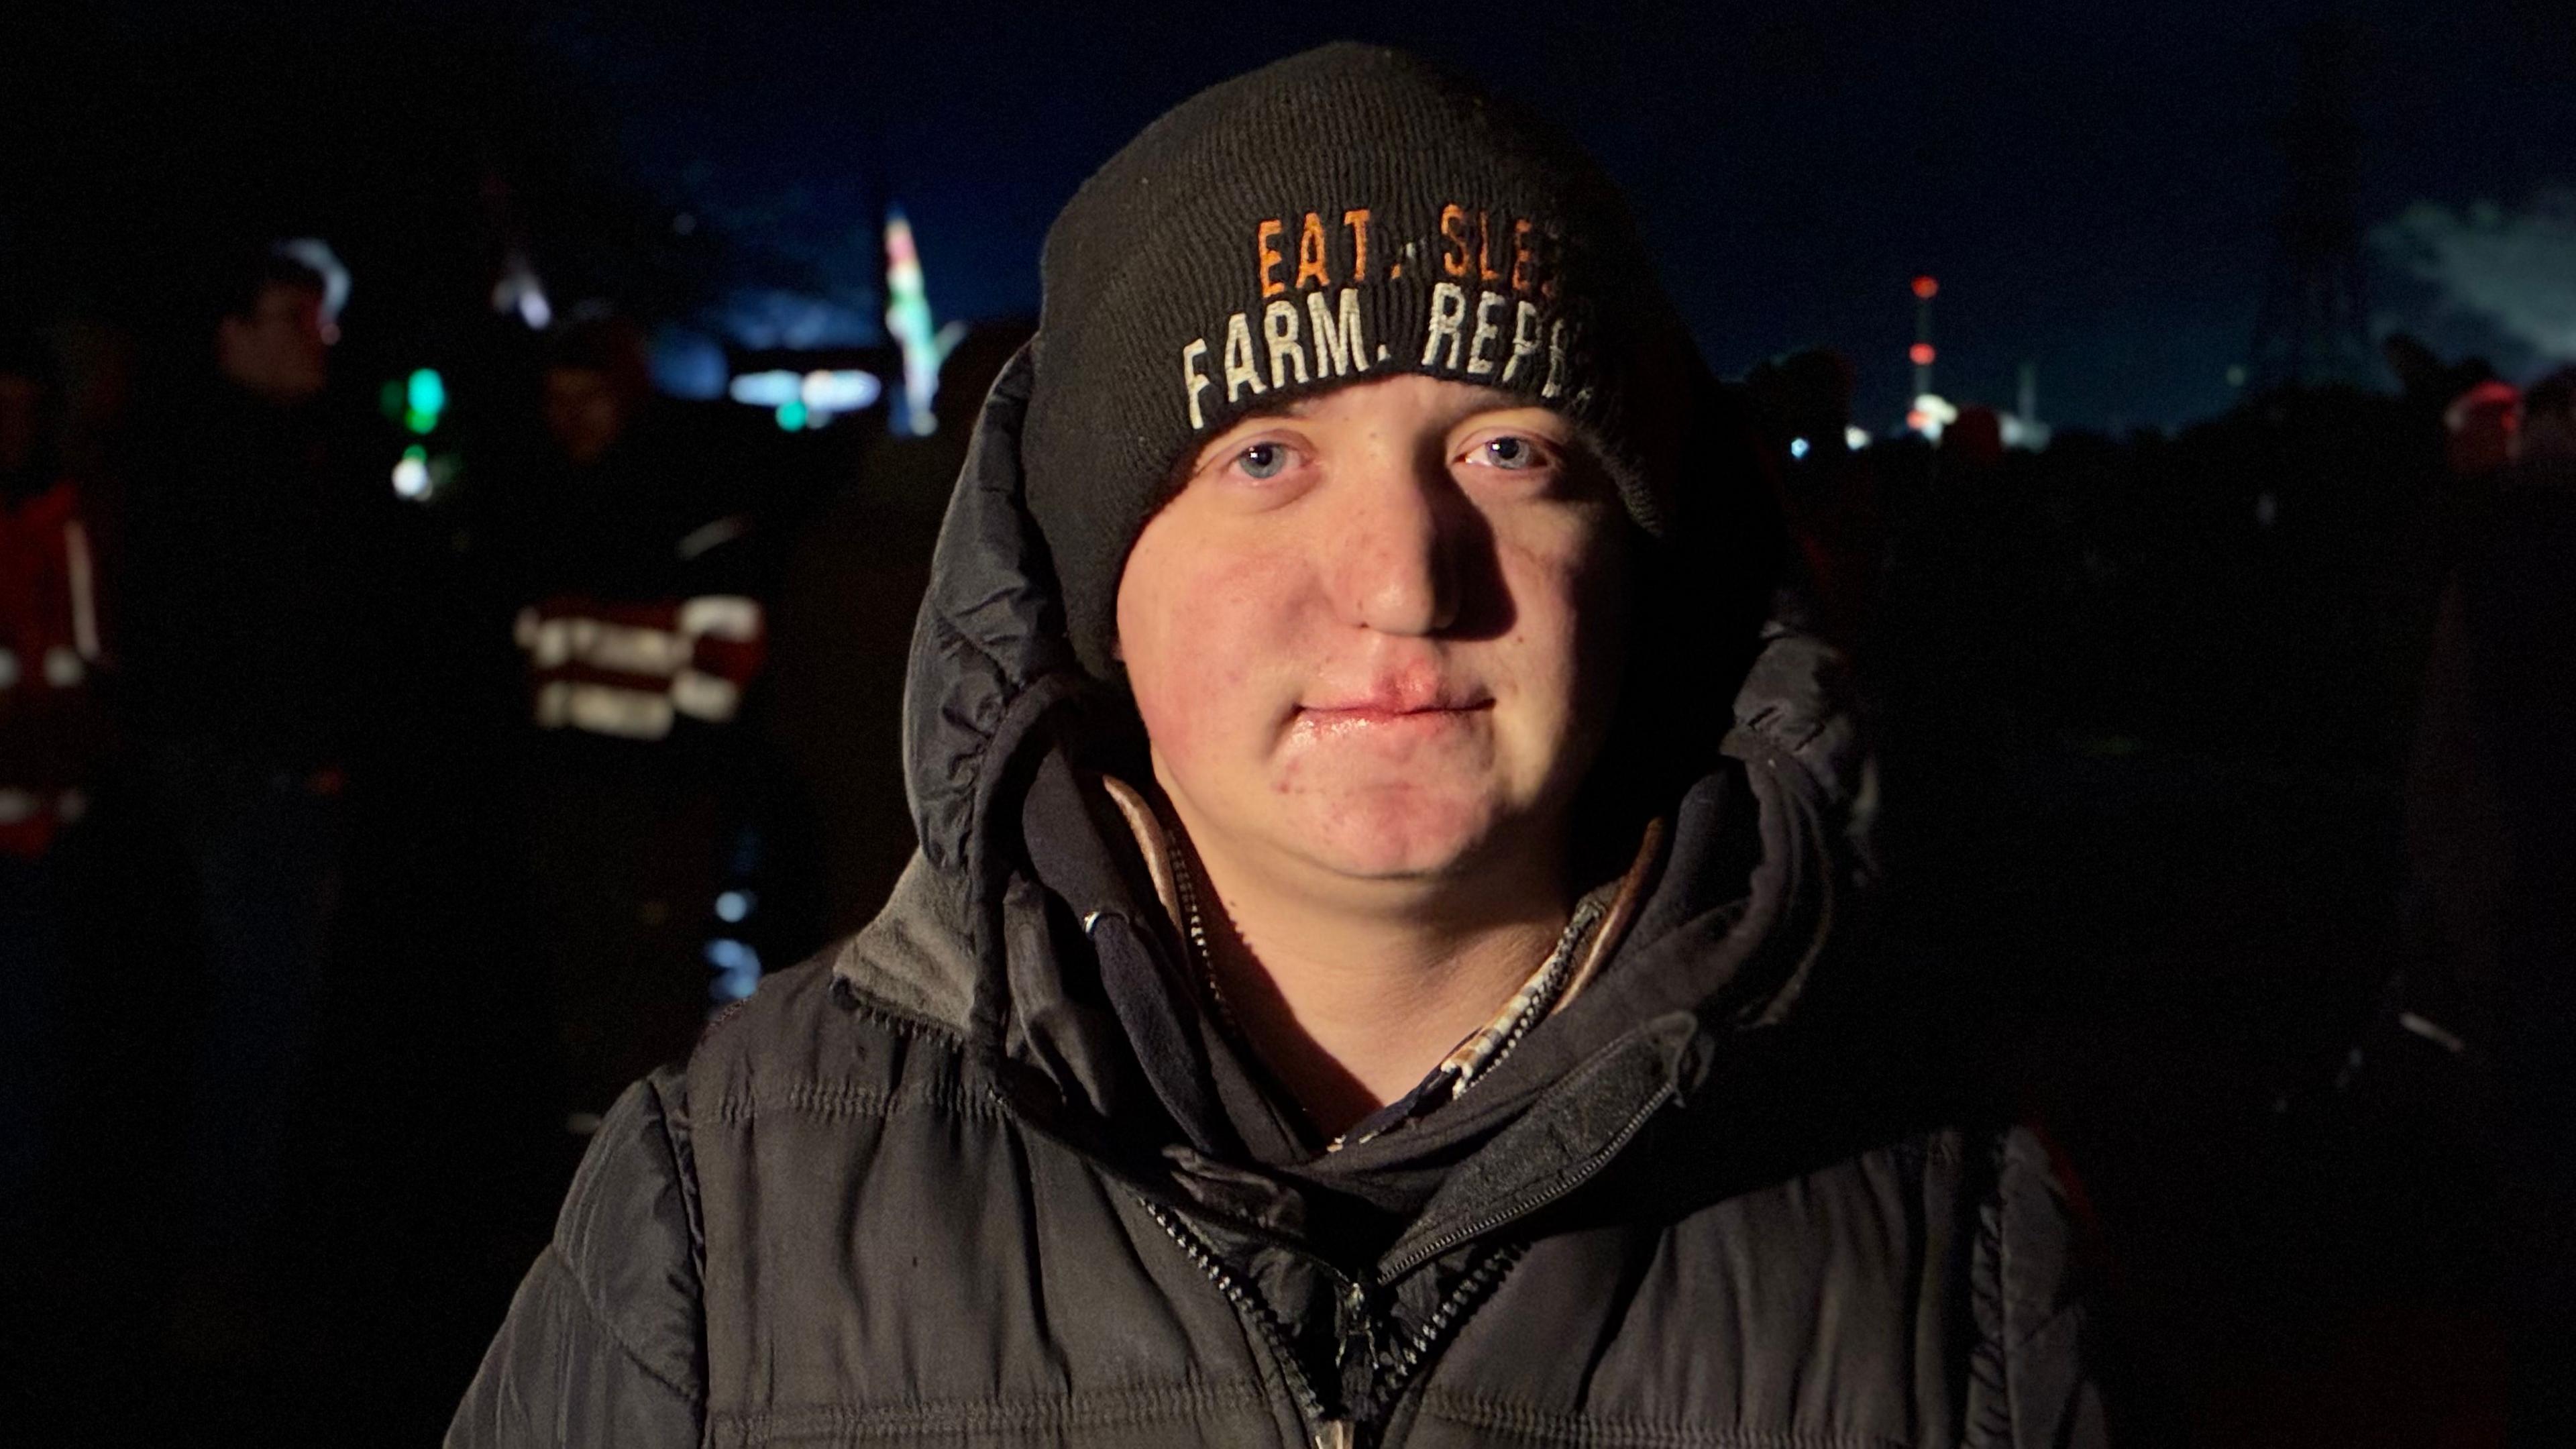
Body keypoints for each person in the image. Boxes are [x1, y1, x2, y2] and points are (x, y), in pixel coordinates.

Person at [452, 45, 2103, 1447]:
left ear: (1640, 555)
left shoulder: (1947, 1241)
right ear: (1096, 579)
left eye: (1512, 448)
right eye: (1263, 455)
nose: (1404, 579)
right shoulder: (721, 1211)